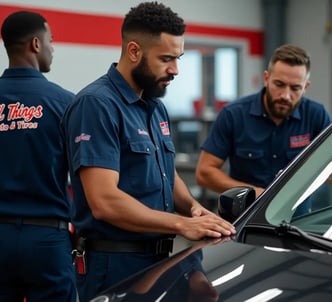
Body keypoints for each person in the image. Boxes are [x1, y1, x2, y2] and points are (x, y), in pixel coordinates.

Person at [61, 2, 236, 301]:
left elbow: (164, 173)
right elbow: (104, 201)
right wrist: (183, 224)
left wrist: (192, 208)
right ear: (133, 51)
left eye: (178, 58)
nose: (175, 70)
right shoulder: (97, 105)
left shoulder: (155, 107)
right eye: (166, 59)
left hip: (162, 260)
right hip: (115, 264)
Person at [196, 44, 332, 215]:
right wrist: (255, 193)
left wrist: (296, 176)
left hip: (295, 221)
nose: (285, 95)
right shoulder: (233, 115)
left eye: (295, 88)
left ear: (305, 87)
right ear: (266, 78)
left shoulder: (316, 114)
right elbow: (204, 173)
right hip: (243, 219)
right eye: (279, 84)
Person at [0, 11, 76, 302]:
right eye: (50, 40)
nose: (52, 48)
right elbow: (82, 179)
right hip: (47, 240)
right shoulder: (65, 103)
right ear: (35, 43)